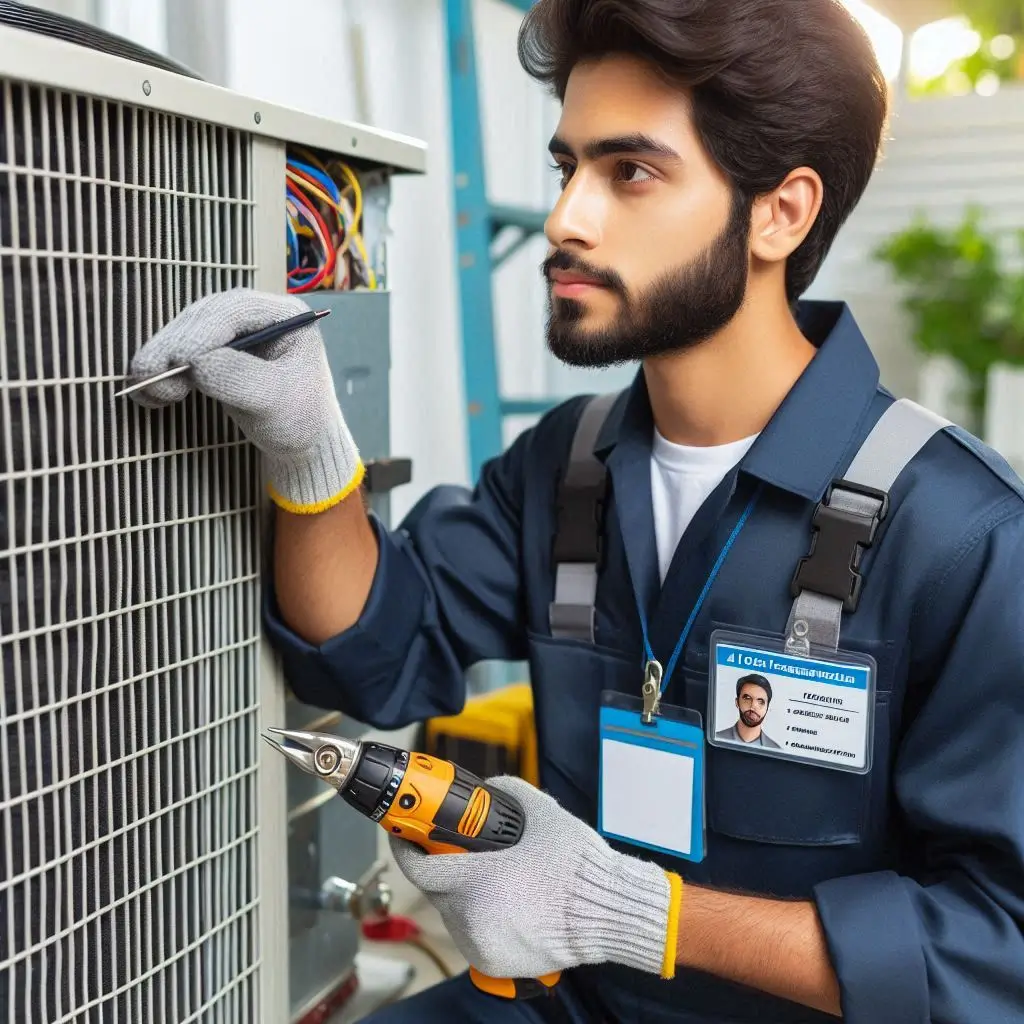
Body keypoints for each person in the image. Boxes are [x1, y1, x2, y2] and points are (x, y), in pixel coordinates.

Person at [128, 0, 1024, 1021]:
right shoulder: (570, 466)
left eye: (629, 172)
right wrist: (309, 445)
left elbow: (998, 953)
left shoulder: (962, 537)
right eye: (568, 168)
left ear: (781, 211)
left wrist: (637, 913)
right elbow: (368, 649)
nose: (567, 219)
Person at [716, 674, 780, 748]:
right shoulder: (717, 737)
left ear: (767, 708)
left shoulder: (776, 749)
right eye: (747, 698)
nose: (753, 706)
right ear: (737, 702)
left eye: (761, 701)